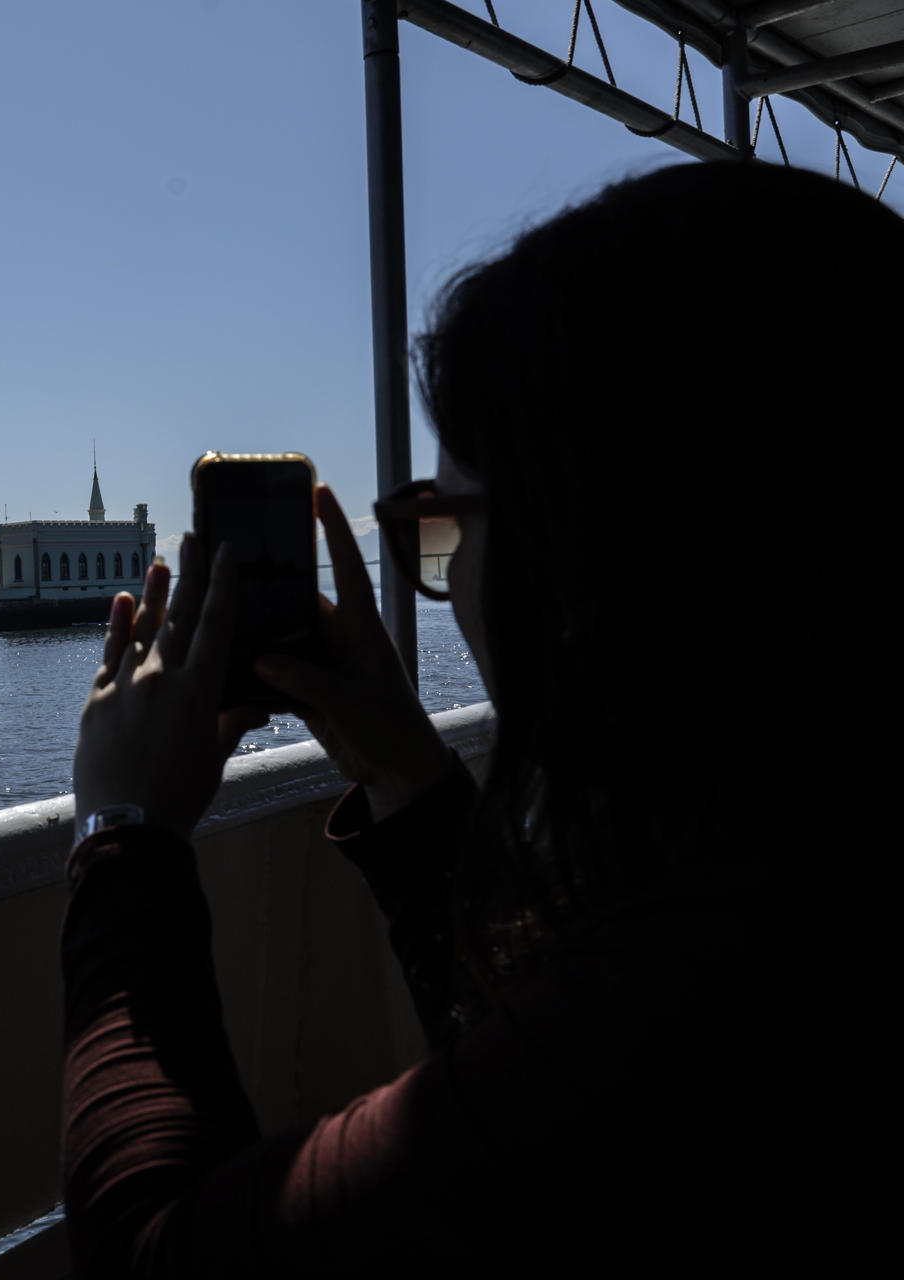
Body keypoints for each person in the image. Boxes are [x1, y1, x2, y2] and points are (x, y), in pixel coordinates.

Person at [62, 160, 899, 1274]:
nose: (443, 577)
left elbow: (155, 1247)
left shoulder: (696, 1013)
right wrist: (402, 767)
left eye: (447, 524)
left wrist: (124, 832)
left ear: (599, 557)